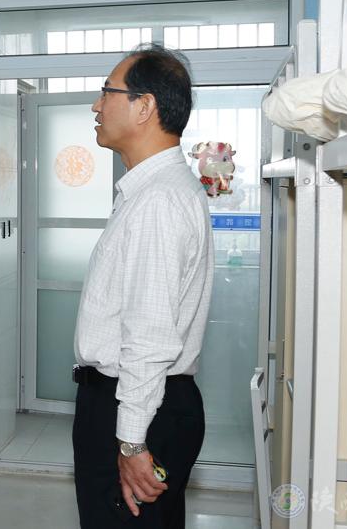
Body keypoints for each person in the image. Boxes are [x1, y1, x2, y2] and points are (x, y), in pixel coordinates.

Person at [71, 43, 214, 528]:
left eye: (107, 92)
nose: (96, 105)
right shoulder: (152, 191)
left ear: (144, 106)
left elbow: (150, 335)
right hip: (143, 401)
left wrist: (131, 442)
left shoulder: (158, 201)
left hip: (137, 408)